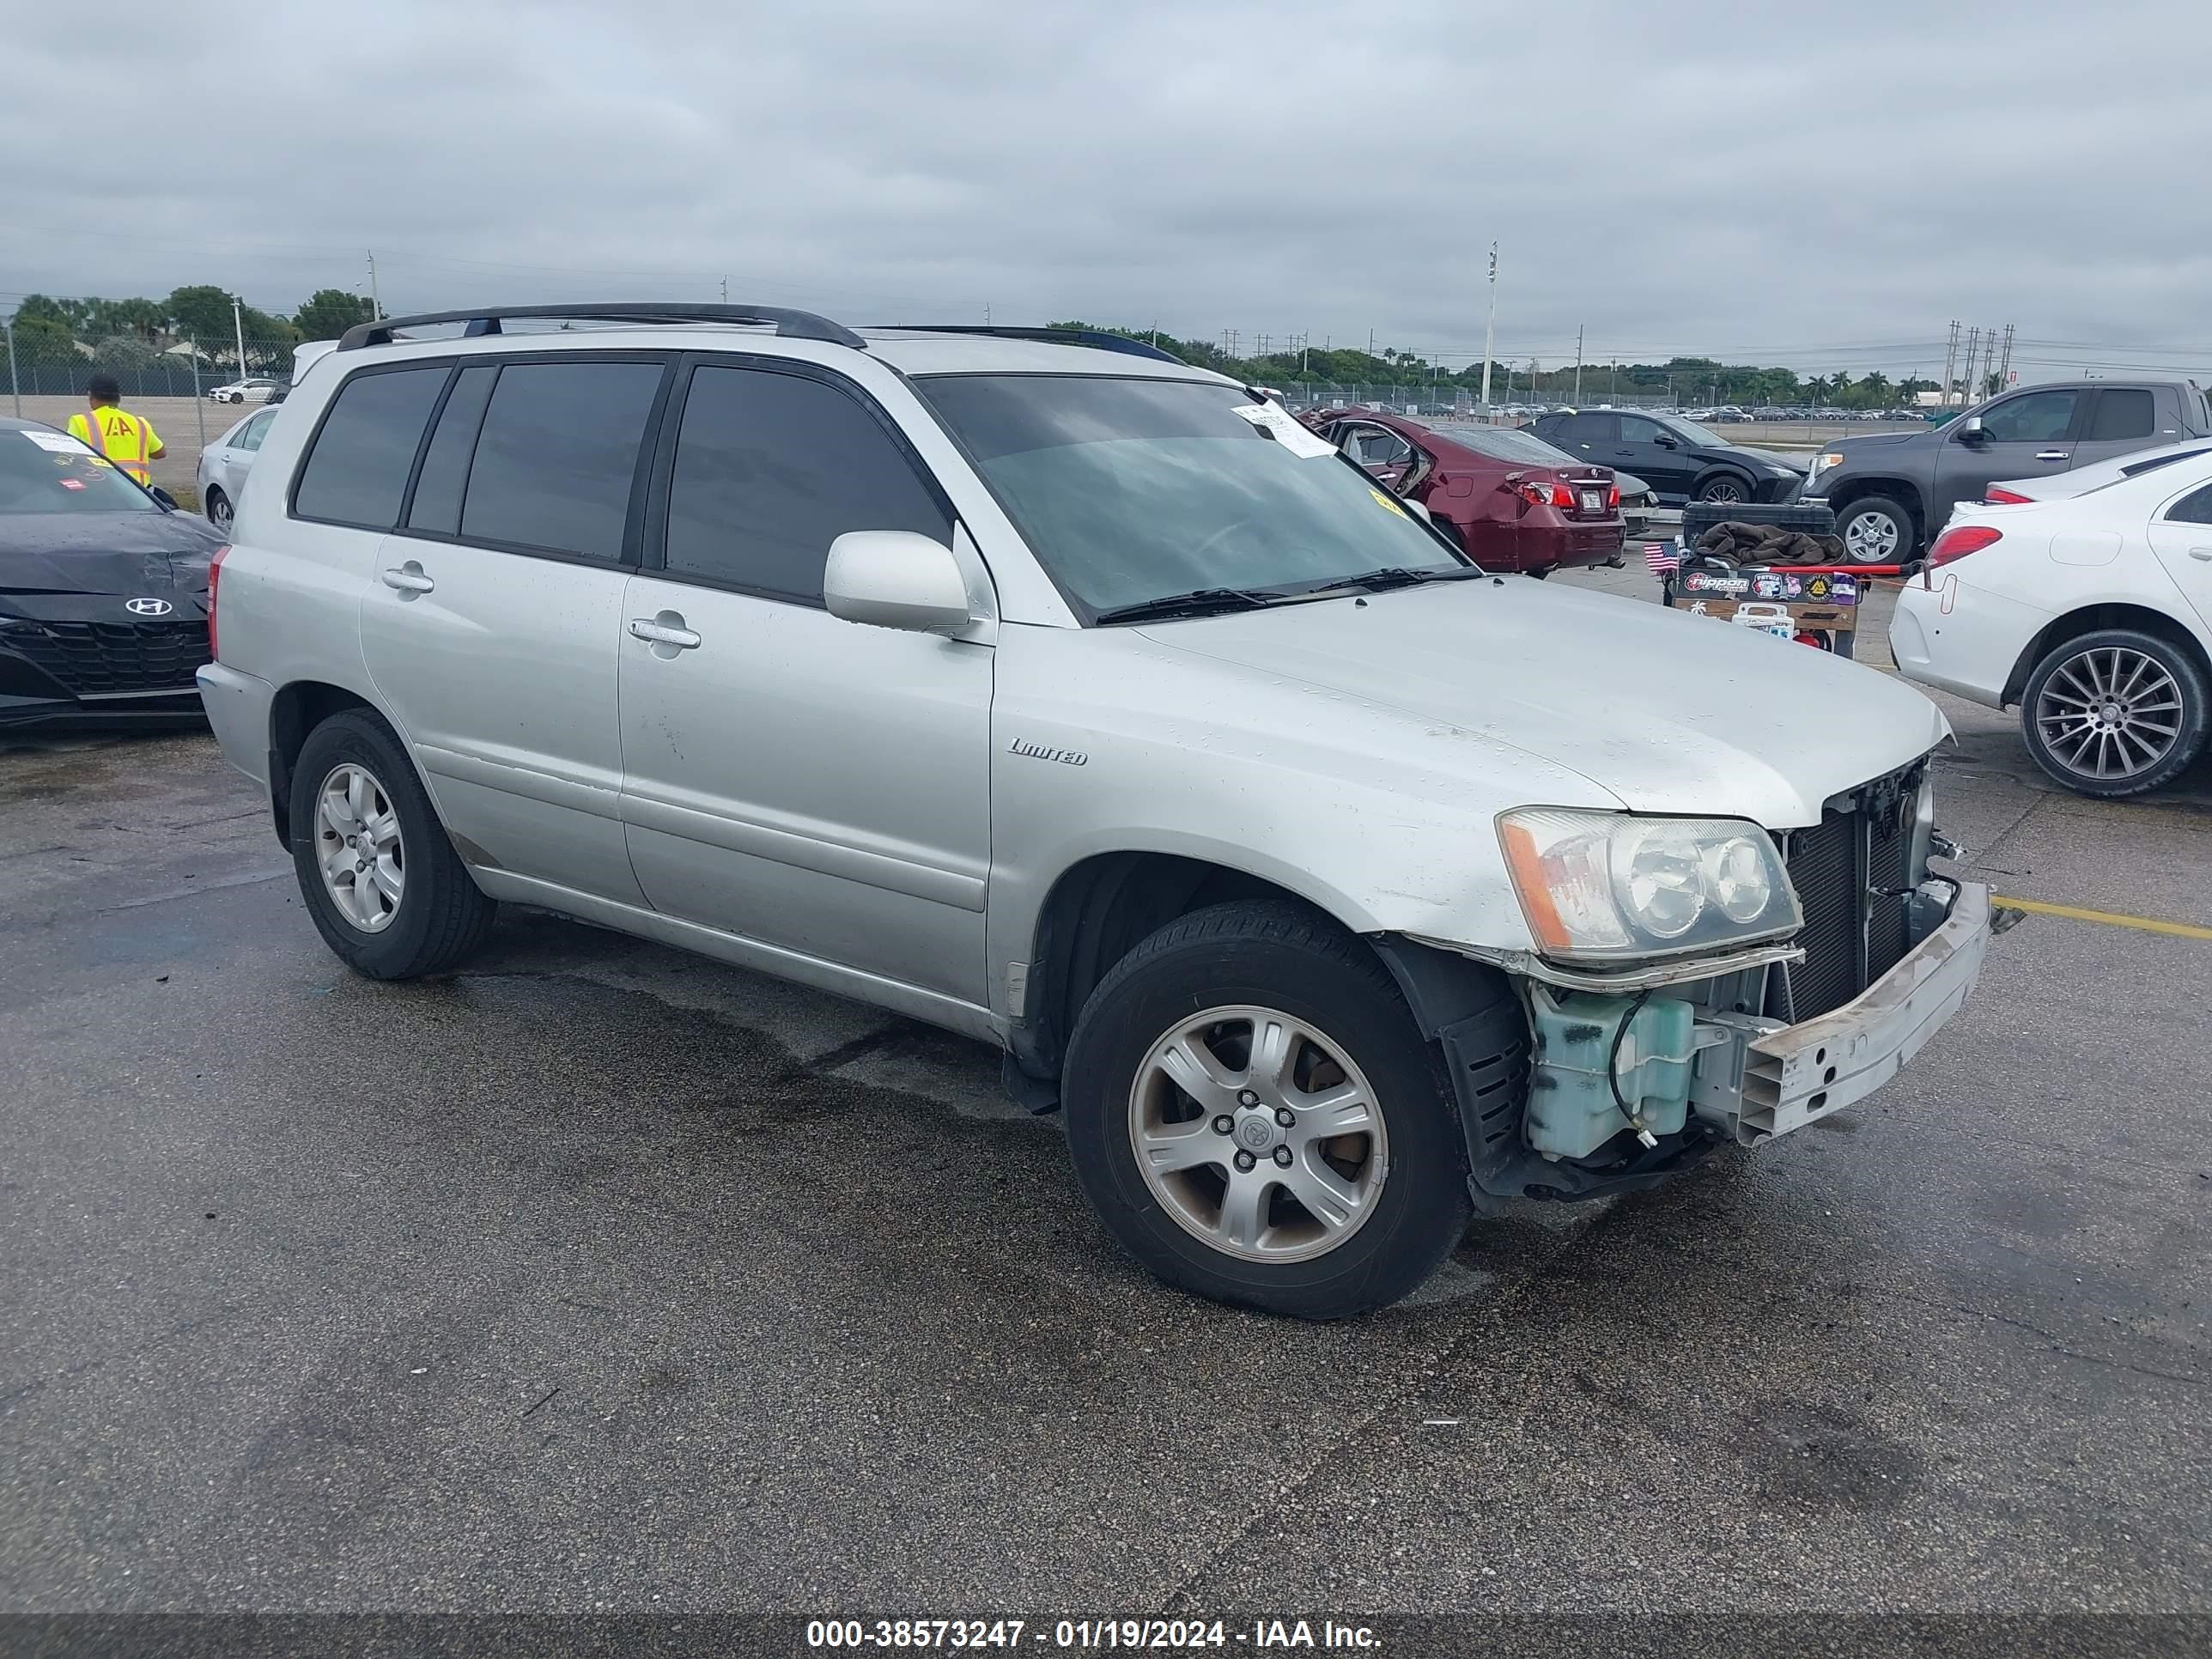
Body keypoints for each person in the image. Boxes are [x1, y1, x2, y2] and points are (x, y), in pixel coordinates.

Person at [66, 374, 165, 487]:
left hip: (103, 489)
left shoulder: (81, 422)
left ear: (91, 395)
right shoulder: (139, 423)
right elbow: (160, 453)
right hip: (139, 492)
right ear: (119, 397)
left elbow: (67, 456)